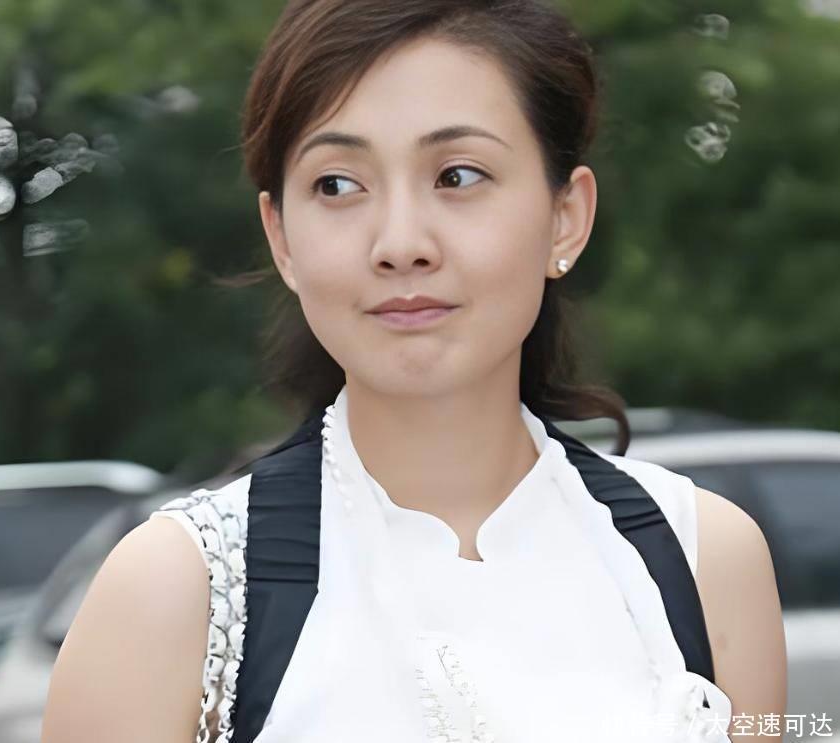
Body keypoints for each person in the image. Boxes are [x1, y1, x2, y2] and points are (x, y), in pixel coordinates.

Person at [41, 1, 787, 742]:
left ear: (566, 217)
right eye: (337, 184)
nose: (400, 244)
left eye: (458, 175)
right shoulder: (178, 589)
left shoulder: (702, 559)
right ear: (282, 238)